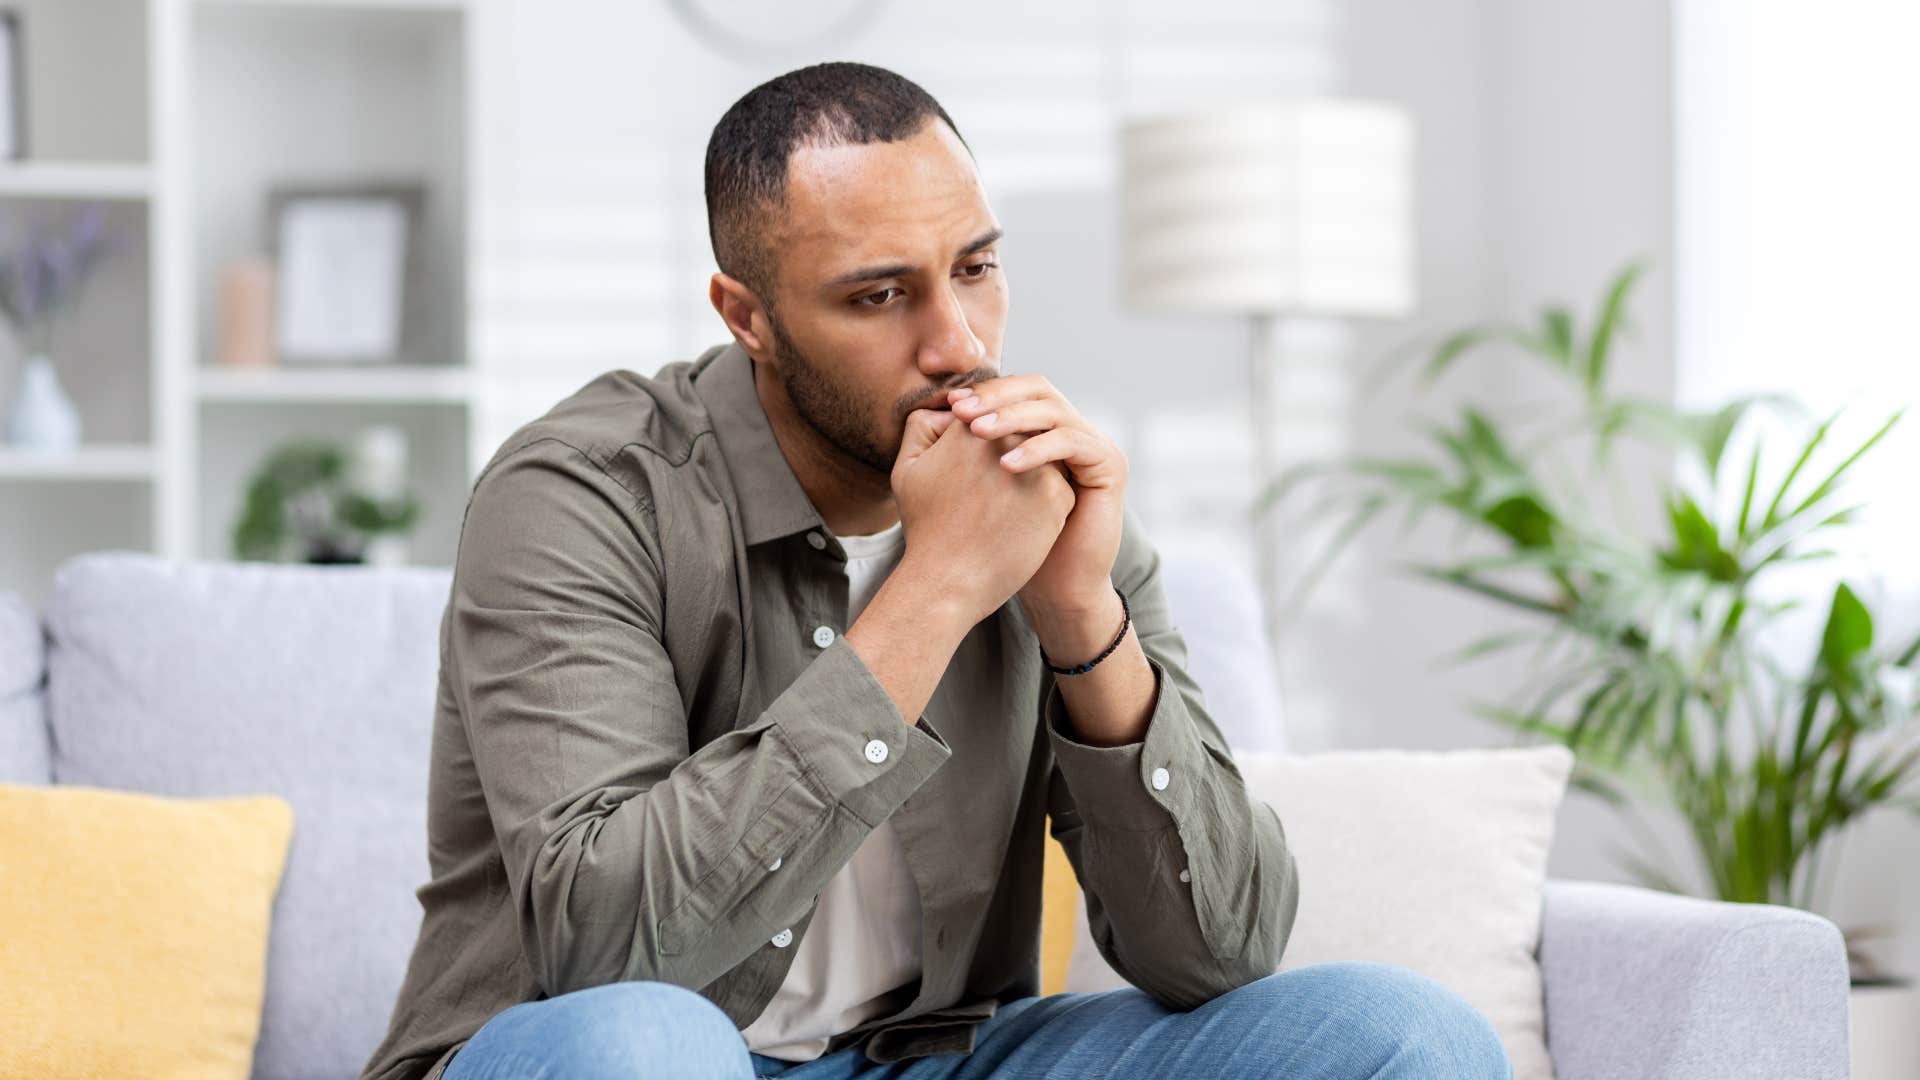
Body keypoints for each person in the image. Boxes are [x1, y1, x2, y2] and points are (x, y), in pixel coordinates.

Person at [359, 61, 1511, 1080]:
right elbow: (609, 950)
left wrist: (1080, 618)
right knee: (648, 1048)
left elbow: (1222, 955)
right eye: (879, 294)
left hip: (932, 1056)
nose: (958, 342)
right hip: (591, 1051)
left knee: (1410, 1039)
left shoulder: (1044, 496)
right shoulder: (585, 491)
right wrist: (941, 587)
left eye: (976, 267)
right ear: (747, 316)